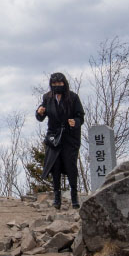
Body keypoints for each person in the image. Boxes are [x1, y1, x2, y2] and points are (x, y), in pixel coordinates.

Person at [36, 72, 85, 209]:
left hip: (69, 137)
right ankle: (57, 198)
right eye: (54, 84)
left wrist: (75, 121)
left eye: (60, 83)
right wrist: (39, 112)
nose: (57, 86)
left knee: (70, 167)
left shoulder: (73, 97)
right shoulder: (47, 97)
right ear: (51, 84)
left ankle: (74, 198)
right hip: (53, 137)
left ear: (64, 83)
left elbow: (81, 117)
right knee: (55, 167)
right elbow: (41, 116)